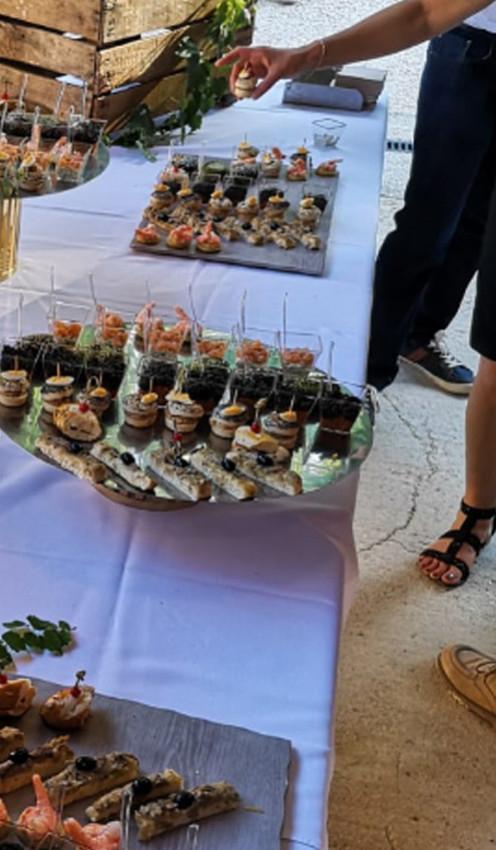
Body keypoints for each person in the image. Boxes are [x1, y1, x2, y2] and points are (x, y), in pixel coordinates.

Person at [219, 0, 496, 726]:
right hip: (473, 57)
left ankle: (471, 493)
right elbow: (428, 11)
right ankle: (372, 382)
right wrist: (301, 57)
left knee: (469, 247)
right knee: (432, 227)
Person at [365, 11, 496, 396]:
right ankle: (367, 370)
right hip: (469, 42)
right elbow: (421, 12)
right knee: (428, 219)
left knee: (481, 222)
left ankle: (418, 337)